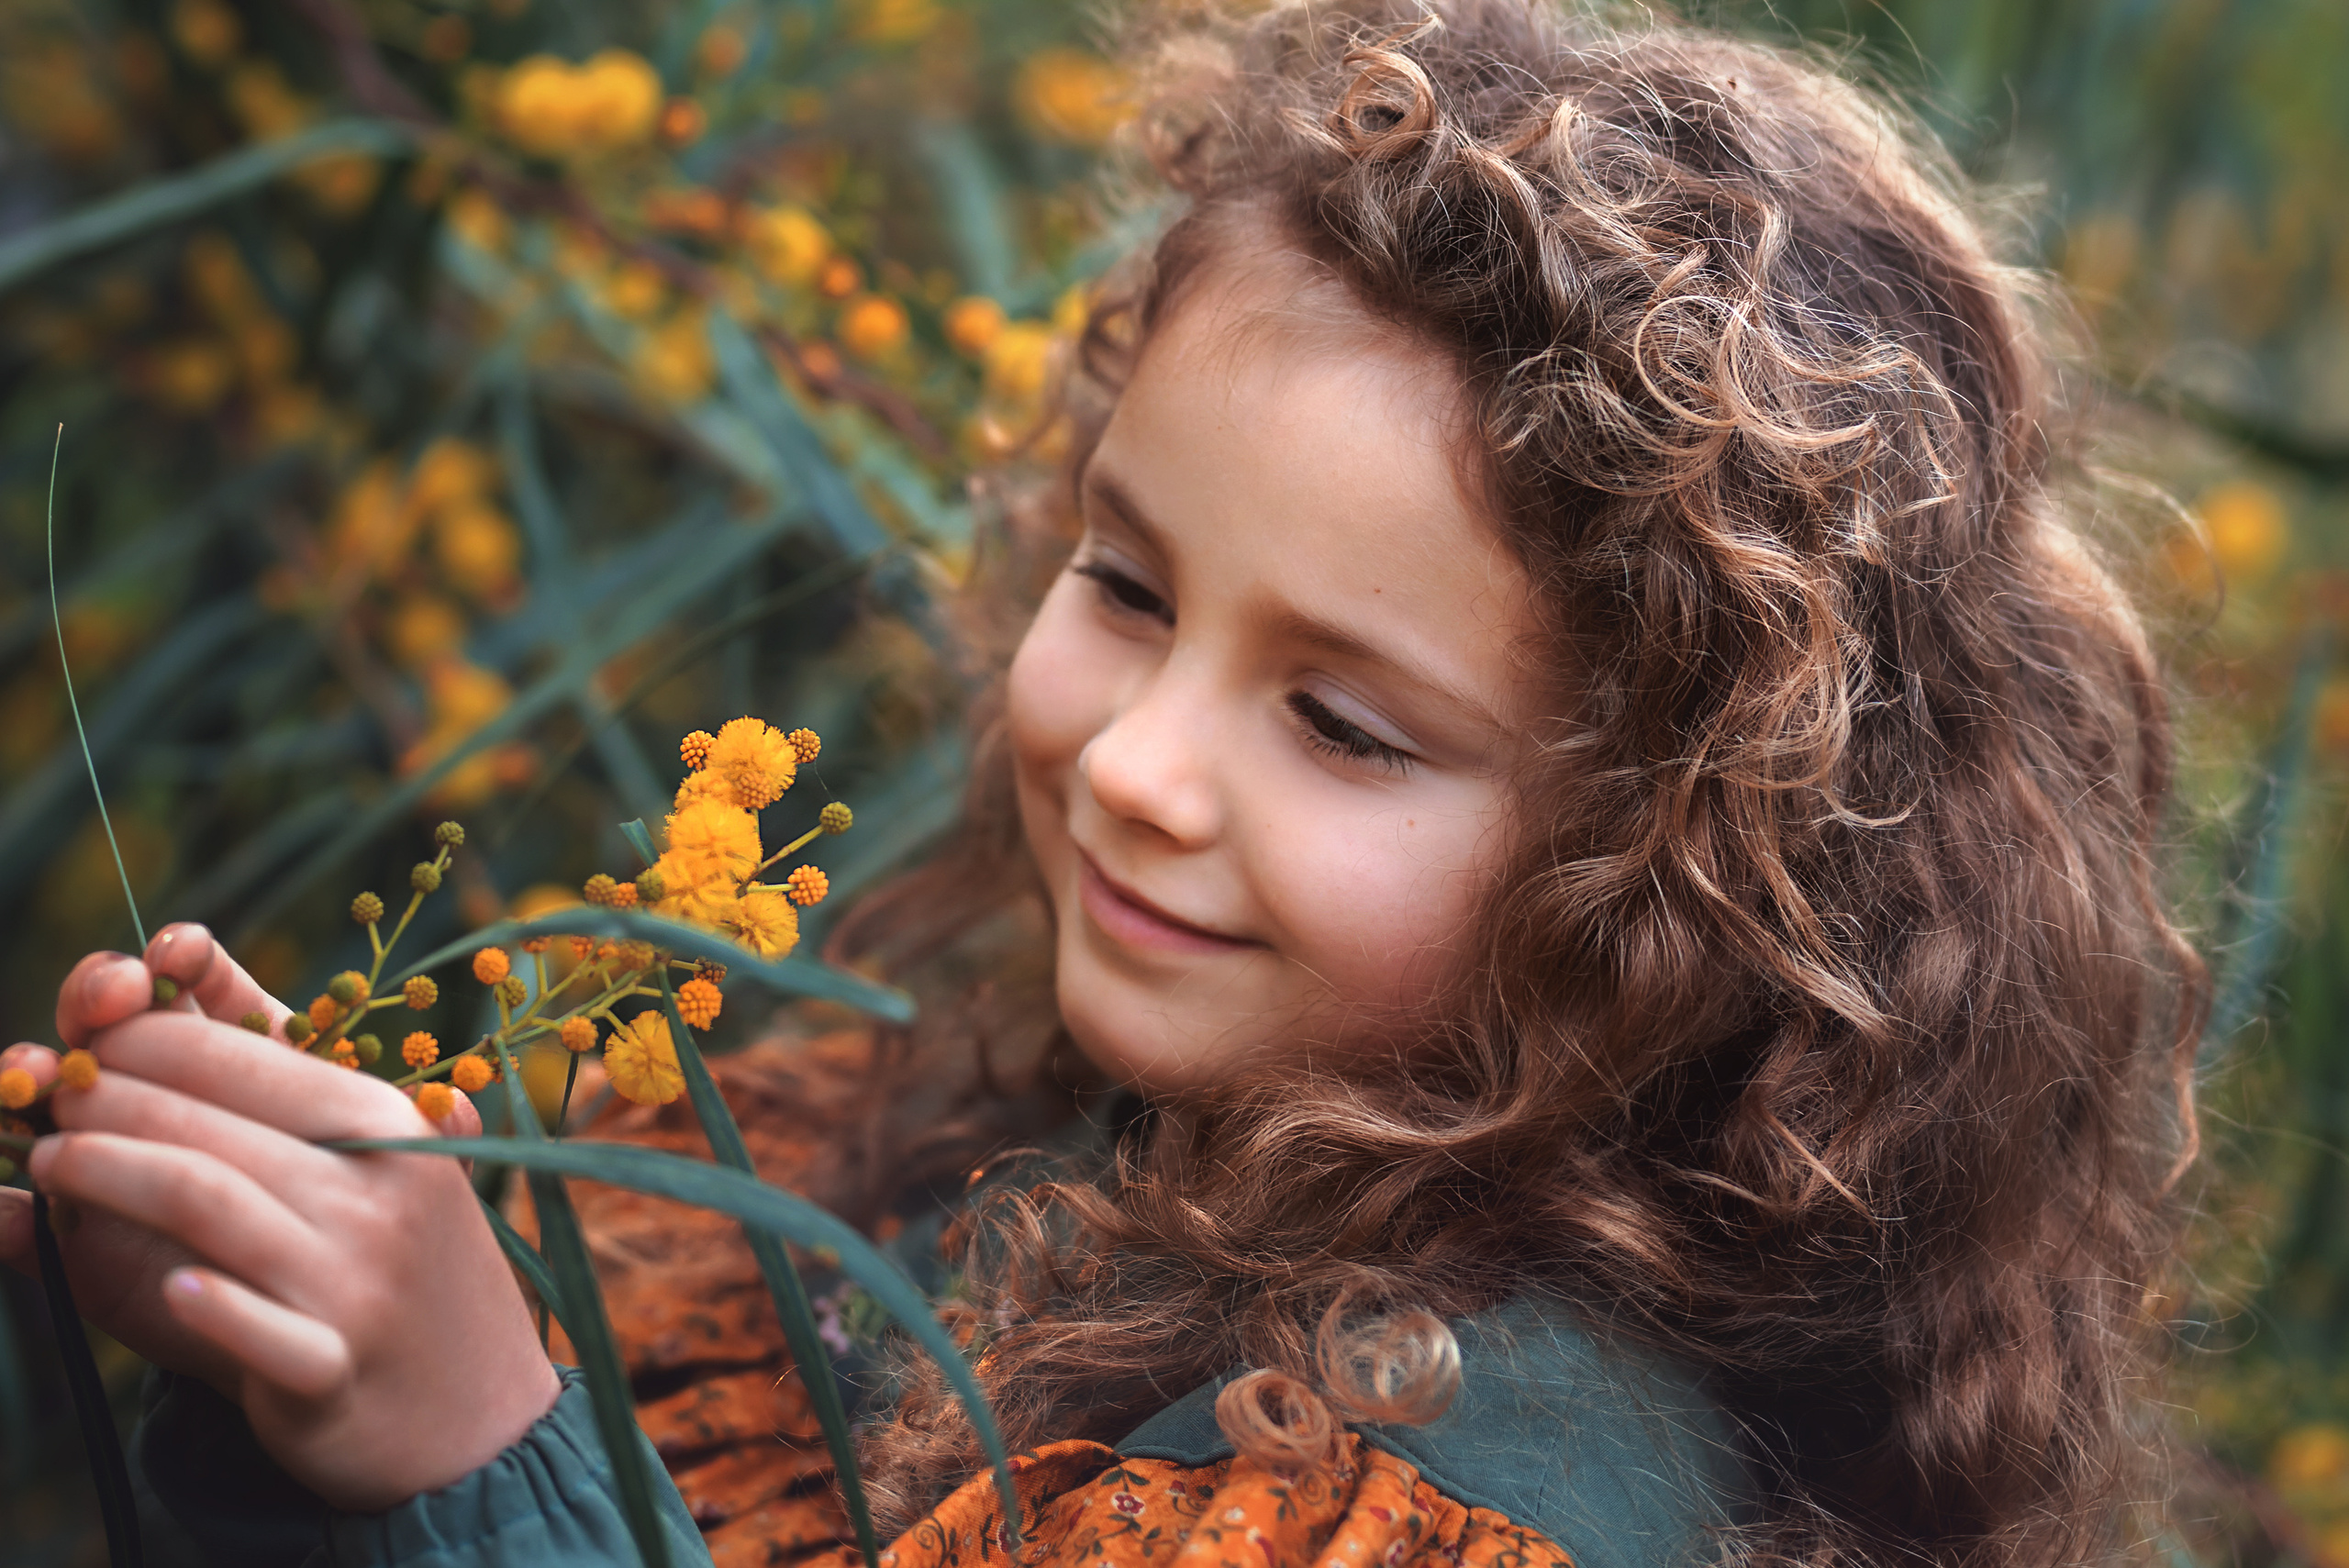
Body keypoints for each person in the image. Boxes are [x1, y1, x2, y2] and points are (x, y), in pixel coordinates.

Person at [0, 3, 2205, 1566]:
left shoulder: (1498, 1501)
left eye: (1343, 727)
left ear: (1681, 887)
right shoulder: (979, 1140)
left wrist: (476, 1459)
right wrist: (298, 1354)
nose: (1136, 765)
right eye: (1127, 585)